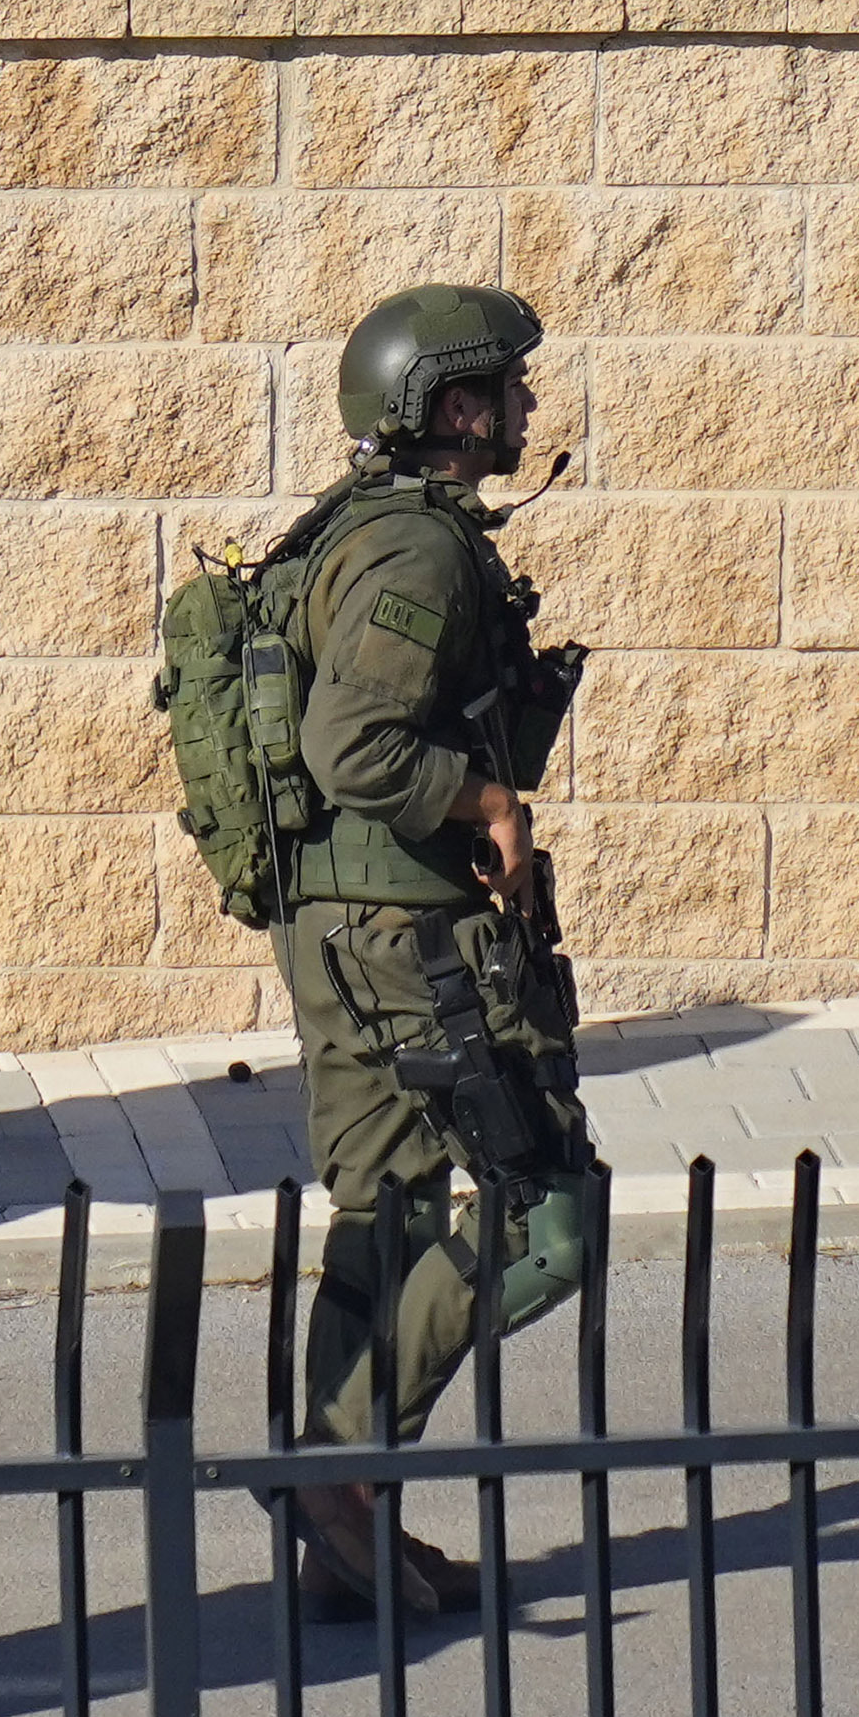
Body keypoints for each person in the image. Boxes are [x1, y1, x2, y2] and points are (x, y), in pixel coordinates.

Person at [260, 282, 602, 1624]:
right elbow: (358, 747)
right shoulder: (416, 555)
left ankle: (344, 1525)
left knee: (387, 1217)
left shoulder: (357, 528)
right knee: (545, 1215)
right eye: (507, 388)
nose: (525, 406)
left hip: (342, 929)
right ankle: (333, 1479)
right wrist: (492, 803)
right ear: (452, 409)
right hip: (411, 939)